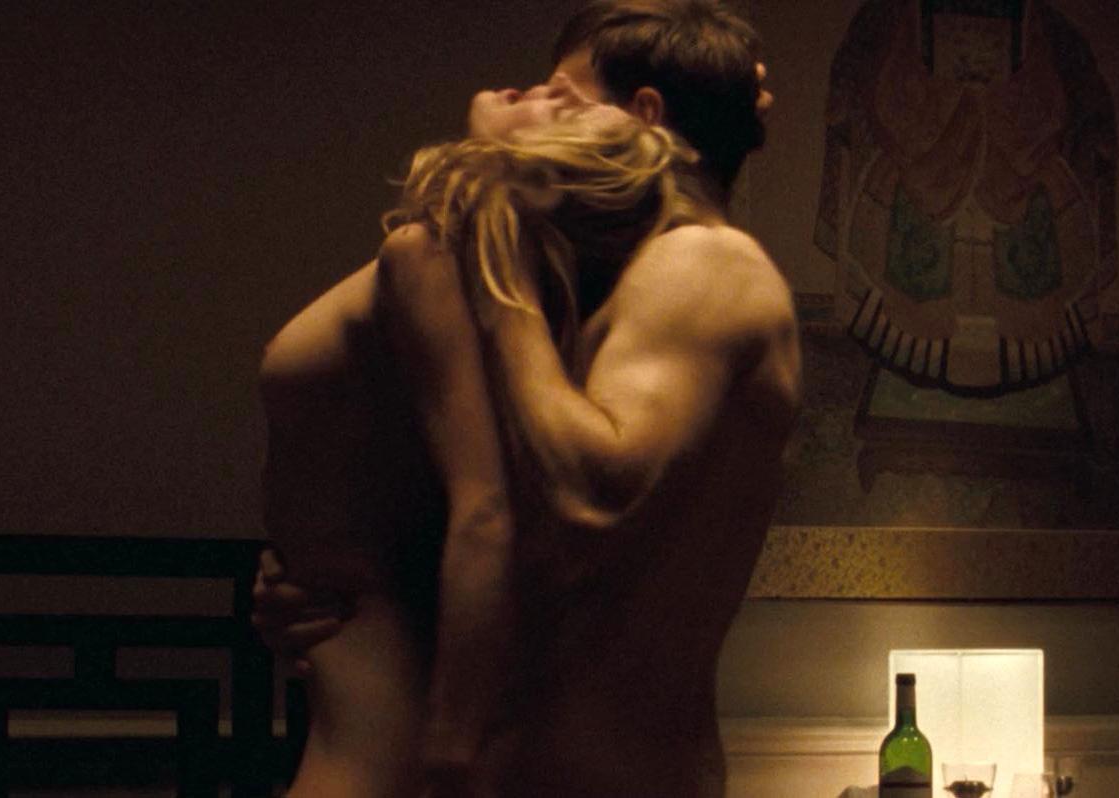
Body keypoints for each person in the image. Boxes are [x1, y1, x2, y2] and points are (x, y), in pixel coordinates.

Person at [259, 1, 800, 795]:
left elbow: (588, 495)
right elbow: (510, 530)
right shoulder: (603, 295)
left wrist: (496, 241)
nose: (524, 104)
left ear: (643, 116)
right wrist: (333, 578)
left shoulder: (705, 265)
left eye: (560, 95)